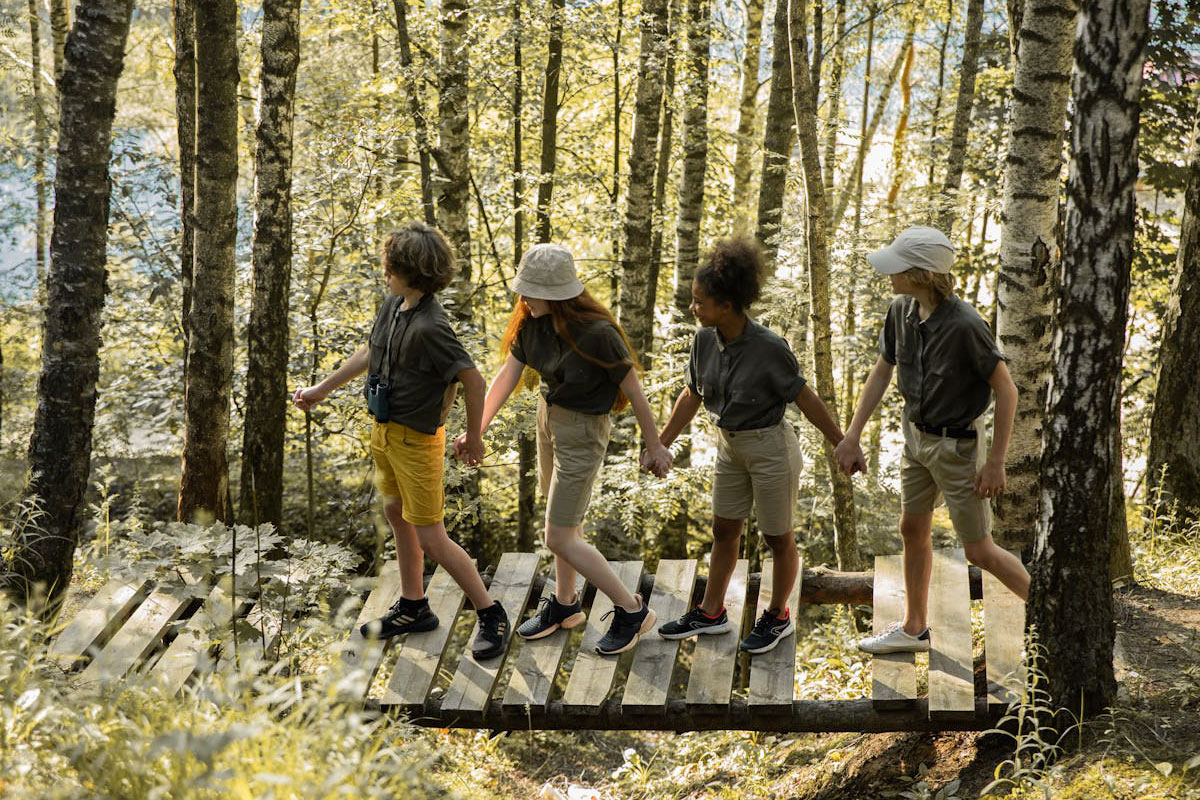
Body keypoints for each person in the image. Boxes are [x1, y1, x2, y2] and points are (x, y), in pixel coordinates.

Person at [292, 221, 511, 661]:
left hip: (418, 442)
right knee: (396, 512)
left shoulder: (432, 326)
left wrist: (475, 435)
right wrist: (321, 389)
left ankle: (490, 613)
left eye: (390, 266)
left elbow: (472, 378)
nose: (384, 272)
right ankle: (414, 606)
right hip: (385, 432)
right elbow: (371, 352)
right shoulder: (394, 305)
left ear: (413, 271)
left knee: (432, 536)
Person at [454, 243, 669, 656]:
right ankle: (567, 606)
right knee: (564, 526)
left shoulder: (598, 333)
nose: (523, 298)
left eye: (531, 291)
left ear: (556, 294)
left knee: (558, 536)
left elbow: (634, 391)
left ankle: (632, 610)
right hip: (548, 419)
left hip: (584, 432)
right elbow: (506, 377)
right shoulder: (531, 322)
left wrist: (654, 443)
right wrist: (476, 429)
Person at [834, 226, 1030, 655]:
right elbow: (882, 371)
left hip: (958, 447)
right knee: (911, 528)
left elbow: (1007, 390)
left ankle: (1053, 619)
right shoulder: (900, 311)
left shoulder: (965, 325)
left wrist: (995, 461)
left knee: (979, 551)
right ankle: (914, 627)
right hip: (915, 441)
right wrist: (852, 434)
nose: (890, 275)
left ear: (922, 274)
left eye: (897, 268)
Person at [654, 237, 851, 655]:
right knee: (724, 529)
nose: (694, 309)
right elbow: (691, 395)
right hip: (729, 447)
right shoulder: (704, 340)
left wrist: (842, 442)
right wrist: (659, 443)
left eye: (699, 303)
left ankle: (778, 615)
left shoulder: (769, 348)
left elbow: (805, 397)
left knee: (777, 538)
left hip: (770, 448)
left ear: (727, 305)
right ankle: (711, 614)